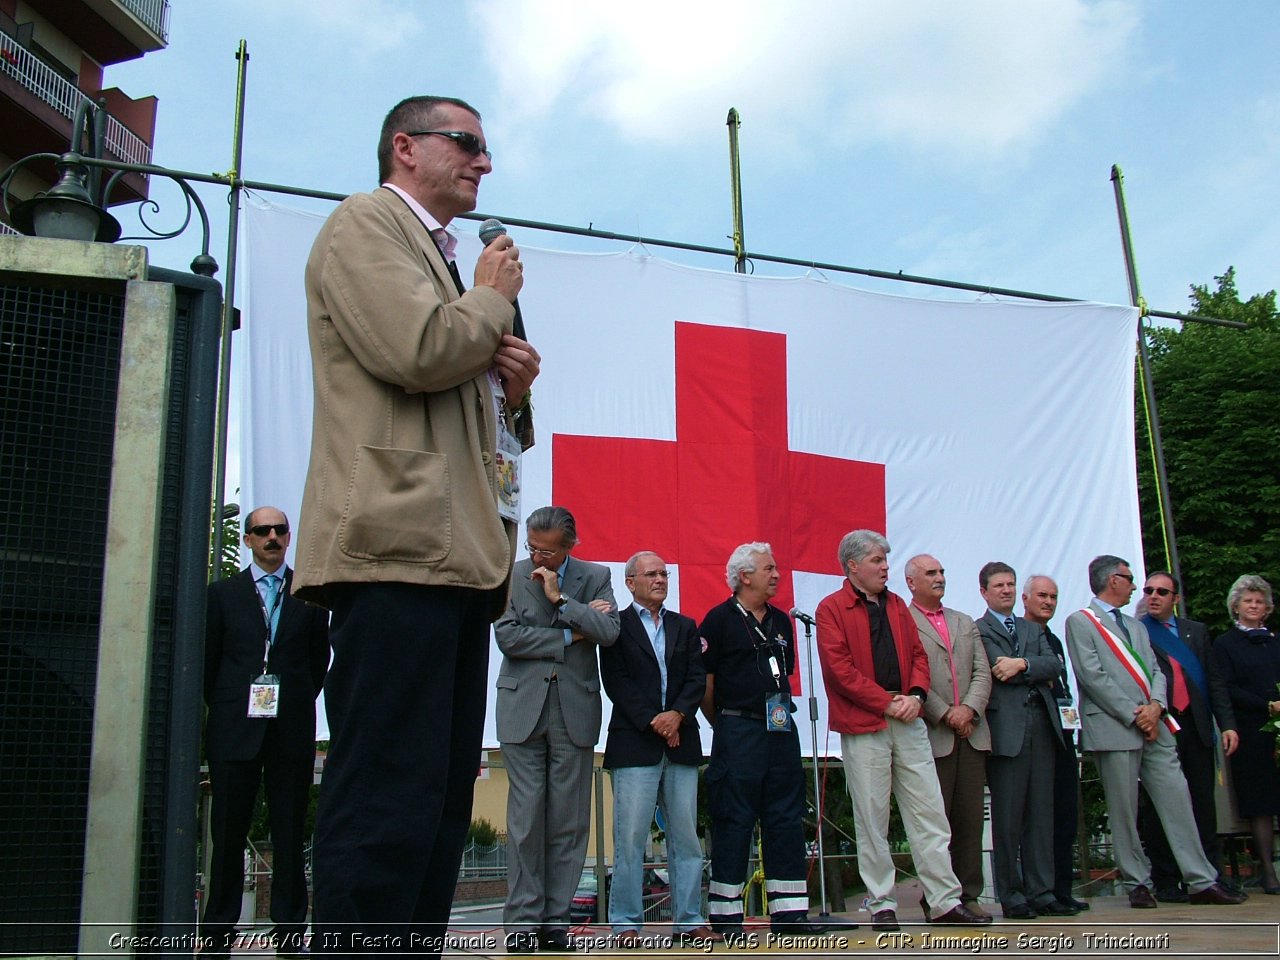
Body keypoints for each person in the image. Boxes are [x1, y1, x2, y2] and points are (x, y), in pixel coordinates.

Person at [294, 95, 540, 957]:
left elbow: (479, 413)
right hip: (394, 553)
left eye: (483, 147)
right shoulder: (365, 224)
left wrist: (511, 389)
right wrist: (491, 306)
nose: (482, 161)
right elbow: (417, 351)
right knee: (386, 793)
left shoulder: (443, 262)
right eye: (466, 143)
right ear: (405, 147)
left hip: (454, 565)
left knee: (437, 800)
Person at [814, 530, 989, 932]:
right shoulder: (831, 608)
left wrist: (915, 694)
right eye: (878, 560)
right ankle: (881, 904)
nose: (885, 567)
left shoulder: (896, 605)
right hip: (866, 723)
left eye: (886, 560)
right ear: (854, 565)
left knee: (929, 812)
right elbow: (840, 671)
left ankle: (944, 901)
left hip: (909, 718)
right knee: (872, 817)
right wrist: (886, 701)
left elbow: (917, 656)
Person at [1063, 555, 1244, 908]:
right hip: (1117, 726)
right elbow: (1092, 676)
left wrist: (1156, 707)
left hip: (1154, 725)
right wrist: (1135, 714)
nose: (1135, 587)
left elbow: (1157, 673)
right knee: (1125, 810)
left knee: (1178, 798)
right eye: (1130, 579)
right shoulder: (1081, 622)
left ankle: (1199, 879)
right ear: (1112, 579)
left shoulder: (1137, 625)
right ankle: (1136, 882)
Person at [202, 507, 329, 959]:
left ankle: (289, 931)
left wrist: (290, 701)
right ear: (248, 540)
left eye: (279, 530)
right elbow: (208, 665)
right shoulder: (222, 595)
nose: (272, 537)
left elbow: (318, 666)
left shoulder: (309, 595)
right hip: (234, 730)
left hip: (290, 731)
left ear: (289, 538)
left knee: (291, 832)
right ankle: (217, 931)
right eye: (262, 531)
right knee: (228, 833)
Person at [495, 506, 620, 952]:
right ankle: (523, 923)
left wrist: (562, 601)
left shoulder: (595, 575)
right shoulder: (510, 574)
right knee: (526, 820)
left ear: (571, 545)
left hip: (574, 710)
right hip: (521, 708)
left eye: (547, 551)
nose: (538, 558)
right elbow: (508, 637)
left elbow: (608, 631)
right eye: (532, 548)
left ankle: (555, 920)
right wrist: (571, 634)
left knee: (568, 822)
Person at [699, 543, 827, 936]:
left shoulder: (781, 621)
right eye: (768, 568)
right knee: (735, 819)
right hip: (738, 729)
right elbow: (707, 685)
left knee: (785, 817)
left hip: (779, 728)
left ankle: (790, 915)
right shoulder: (718, 620)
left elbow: (782, 674)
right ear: (744, 576)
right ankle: (726, 917)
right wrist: (724, 723)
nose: (776, 574)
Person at [600, 551, 718, 946]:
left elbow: (696, 679)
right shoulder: (616, 625)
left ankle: (689, 919)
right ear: (630, 582)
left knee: (685, 836)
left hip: (682, 743)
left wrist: (678, 716)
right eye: (651, 574)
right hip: (636, 743)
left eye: (665, 573)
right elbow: (615, 681)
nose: (661, 579)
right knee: (631, 837)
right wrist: (656, 720)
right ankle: (626, 923)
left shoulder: (685, 626)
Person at [975, 562, 1072, 919]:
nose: (1006, 590)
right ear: (984, 592)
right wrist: (1026, 669)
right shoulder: (979, 629)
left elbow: (1053, 664)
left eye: (1011, 584)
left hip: (1042, 727)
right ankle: (1012, 894)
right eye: (998, 585)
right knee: (1008, 818)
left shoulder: (1033, 629)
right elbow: (993, 669)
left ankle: (1041, 891)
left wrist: (1022, 666)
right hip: (1006, 732)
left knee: (1041, 814)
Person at [1138, 571, 1240, 900]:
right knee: (1158, 807)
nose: (1154, 596)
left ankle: (1210, 877)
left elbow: (1214, 682)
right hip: (1161, 726)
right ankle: (1166, 879)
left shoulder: (1195, 632)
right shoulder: (1137, 631)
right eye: (1149, 590)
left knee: (1201, 803)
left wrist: (1227, 724)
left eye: (1162, 592)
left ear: (1175, 599)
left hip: (1194, 726)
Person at [903, 554, 992, 918]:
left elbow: (982, 672)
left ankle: (969, 894)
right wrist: (945, 713)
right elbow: (911, 673)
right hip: (933, 733)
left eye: (941, 571)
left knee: (970, 820)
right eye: (931, 573)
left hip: (971, 732)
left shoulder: (963, 620)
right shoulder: (903, 622)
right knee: (935, 822)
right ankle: (938, 896)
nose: (940, 577)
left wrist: (968, 710)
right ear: (911, 582)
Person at [1021, 574, 1090, 912]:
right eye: (1042, 596)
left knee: (1065, 813)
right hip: (1036, 735)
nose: (1048, 602)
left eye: (1053, 597)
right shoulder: (1019, 635)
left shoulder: (1054, 639)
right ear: (1026, 599)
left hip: (1064, 732)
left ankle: (1062, 887)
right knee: (1039, 816)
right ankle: (1040, 890)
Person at [1214, 574, 1280, 894]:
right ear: (1236, 606)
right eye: (1248, 601)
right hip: (1250, 730)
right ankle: (1268, 872)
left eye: (1259, 601)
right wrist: (1267, 706)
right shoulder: (1225, 644)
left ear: (1267, 608)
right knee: (1260, 802)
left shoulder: (1276, 641)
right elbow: (1226, 688)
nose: (1254, 606)